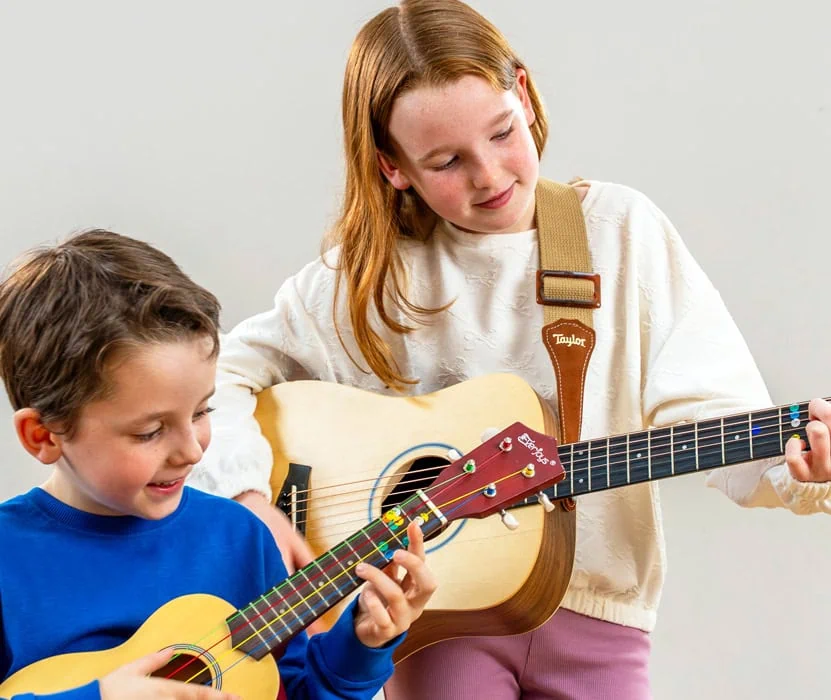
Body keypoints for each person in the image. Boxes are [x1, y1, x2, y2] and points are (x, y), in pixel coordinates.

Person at [192, 1, 831, 697]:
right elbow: (216, 375)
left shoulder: (618, 233)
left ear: (522, 94)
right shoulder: (367, 281)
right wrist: (249, 494)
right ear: (392, 165)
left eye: (501, 133)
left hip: (600, 615)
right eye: (445, 161)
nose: (489, 175)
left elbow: (714, 426)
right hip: (441, 622)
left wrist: (802, 464)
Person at [0, 230, 436, 700]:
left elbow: (289, 691)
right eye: (150, 432)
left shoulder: (241, 537)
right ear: (42, 436)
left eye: (202, 412)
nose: (191, 451)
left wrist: (361, 645)